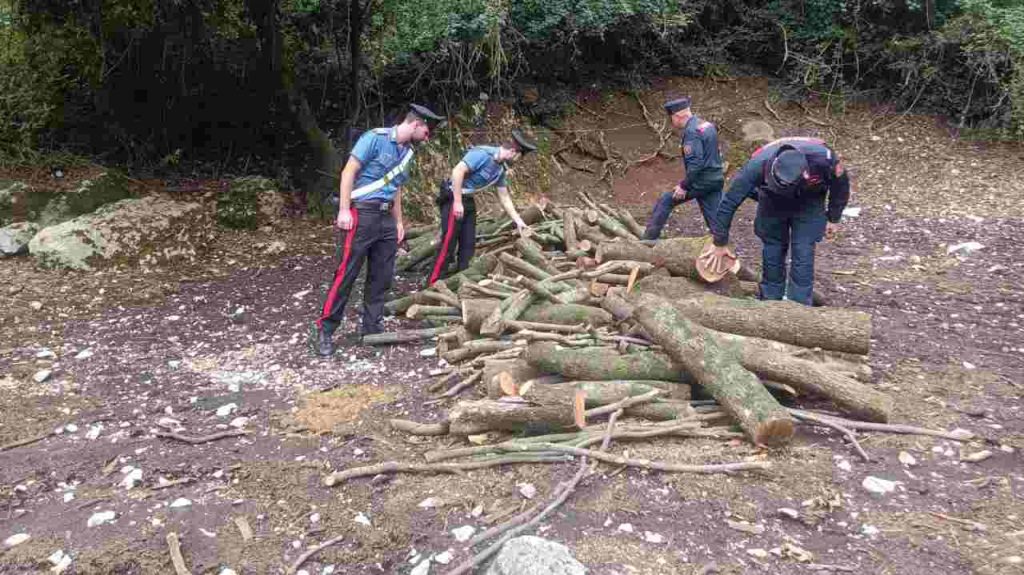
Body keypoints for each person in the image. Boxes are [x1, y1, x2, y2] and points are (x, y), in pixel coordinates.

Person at [313, 103, 445, 356]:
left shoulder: (408, 154)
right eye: (427, 132)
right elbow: (348, 172)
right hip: (362, 213)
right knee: (347, 273)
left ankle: (371, 330)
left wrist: (398, 223)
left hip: (386, 218)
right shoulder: (374, 138)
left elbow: (396, 188)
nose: (427, 137)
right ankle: (325, 330)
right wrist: (343, 210)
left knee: (382, 277)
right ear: (416, 124)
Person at [705, 137, 850, 306]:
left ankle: (799, 305)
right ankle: (771, 298)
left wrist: (834, 217)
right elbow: (729, 202)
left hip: (809, 200)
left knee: (803, 249)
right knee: (773, 246)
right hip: (772, 200)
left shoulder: (824, 159)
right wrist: (719, 242)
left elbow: (841, 186)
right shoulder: (757, 165)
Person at [427, 129, 538, 286]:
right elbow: (457, 171)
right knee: (448, 243)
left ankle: (461, 281)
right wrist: (457, 202)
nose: (517, 161)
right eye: (518, 157)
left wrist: (519, 221)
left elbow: (504, 196)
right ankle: (432, 284)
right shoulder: (482, 154)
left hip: (468, 200)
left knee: (468, 244)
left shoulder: (501, 168)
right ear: (513, 151)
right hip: (454, 197)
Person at [643, 96, 724, 240]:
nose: (672, 122)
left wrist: (684, 186)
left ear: (678, 116)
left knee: (666, 200)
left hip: (702, 181)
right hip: (716, 178)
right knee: (716, 221)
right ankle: (723, 248)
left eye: (671, 118)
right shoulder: (706, 125)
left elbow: (696, 164)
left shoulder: (692, 132)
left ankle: (647, 243)